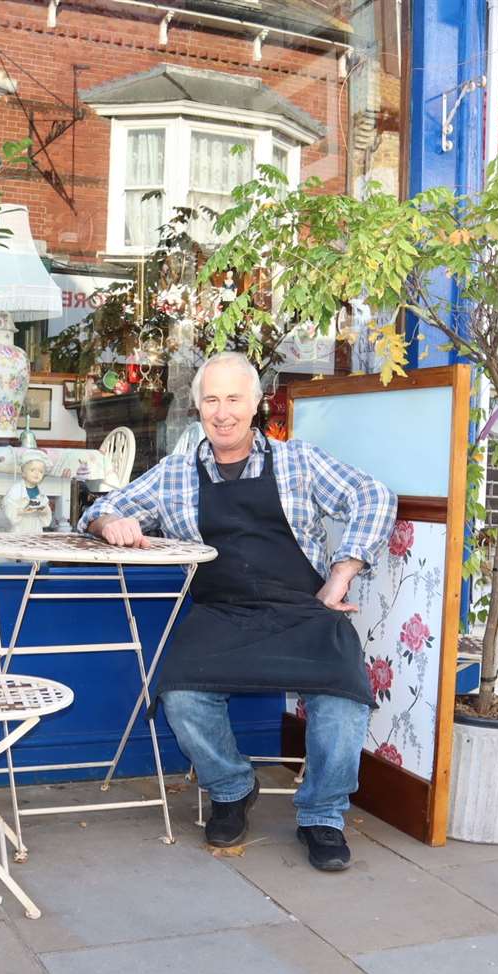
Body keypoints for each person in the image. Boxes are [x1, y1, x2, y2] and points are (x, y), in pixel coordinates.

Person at [79, 352, 396, 871]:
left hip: (302, 608)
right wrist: (109, 522)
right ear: (198, 407)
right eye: (211, 400)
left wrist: (342, 572)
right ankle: (230, 788)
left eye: (233, 399)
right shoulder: (176, 472)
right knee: (179, 696)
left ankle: (322, 815)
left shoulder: (299, 461)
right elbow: (99, 510)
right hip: (220, 610)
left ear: (255, 404)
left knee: (344, 699)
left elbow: (374, 495)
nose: (222, 412)